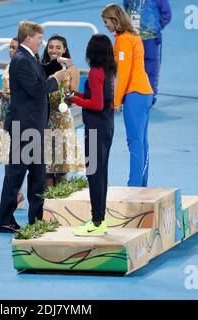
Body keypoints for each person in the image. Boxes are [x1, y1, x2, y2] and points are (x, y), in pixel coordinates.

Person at [0, 21, 68, 233]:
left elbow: (38, 72)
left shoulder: (29, 57)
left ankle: (37, 219)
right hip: (24, 127)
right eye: (39, 39)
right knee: (16, 175)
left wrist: (55, 64)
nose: (42, 43)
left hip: (33, 126)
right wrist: (56, 80)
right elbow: (37, 89)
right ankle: (5, 220)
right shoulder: (21, 59)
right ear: (29, 38)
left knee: (38, 175)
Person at [65, 34, 116, 236]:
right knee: (101, 173)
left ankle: (96, 221)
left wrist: (76, 101)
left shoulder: (95, 72)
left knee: (94, 174)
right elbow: (99, 98)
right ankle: (100, 217)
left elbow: (97, 104)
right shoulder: (108, 69)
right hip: (106, 126)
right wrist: (77, 95)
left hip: (95, 129)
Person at [102, 3, 153, 187]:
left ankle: (134, 186)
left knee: (135, 142)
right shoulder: (132, 36)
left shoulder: (123, 40)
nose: (105, 26)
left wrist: (116, 101)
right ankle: (141, 184)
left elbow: (123, 72)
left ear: (115, 20)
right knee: (142, 142)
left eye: (106, 22)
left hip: (134, 93)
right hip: (144, 92)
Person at [41, 35, 85, 187]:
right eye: (51, 47)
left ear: (65, 50)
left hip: (63, 121)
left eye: (58, 47)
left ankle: (59, 206)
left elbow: (74, 94)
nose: (54, 50)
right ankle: (47, 205)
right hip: (45, 119)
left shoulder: (73, 70)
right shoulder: (41, 68)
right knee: (46, 167)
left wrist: (66, 98)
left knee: (61, 167)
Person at [0, 37, 26, 210]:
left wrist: (7, 95)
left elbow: (22, 94)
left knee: (16, 160)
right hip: (5, 116)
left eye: (14, 47)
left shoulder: (22, 67)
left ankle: (16, 195)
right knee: (7, 159)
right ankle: (12, 194)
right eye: (10, 47)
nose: (11, 50)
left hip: (18, 116)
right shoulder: (7, 66)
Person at [124, 0, 172, 106]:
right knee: (132, 68)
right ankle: (133, 94)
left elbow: (167, 15)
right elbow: (126, 10)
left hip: (150, 39)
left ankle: (149, 97)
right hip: (134, 39)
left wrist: (155, 28)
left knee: (150, 69)